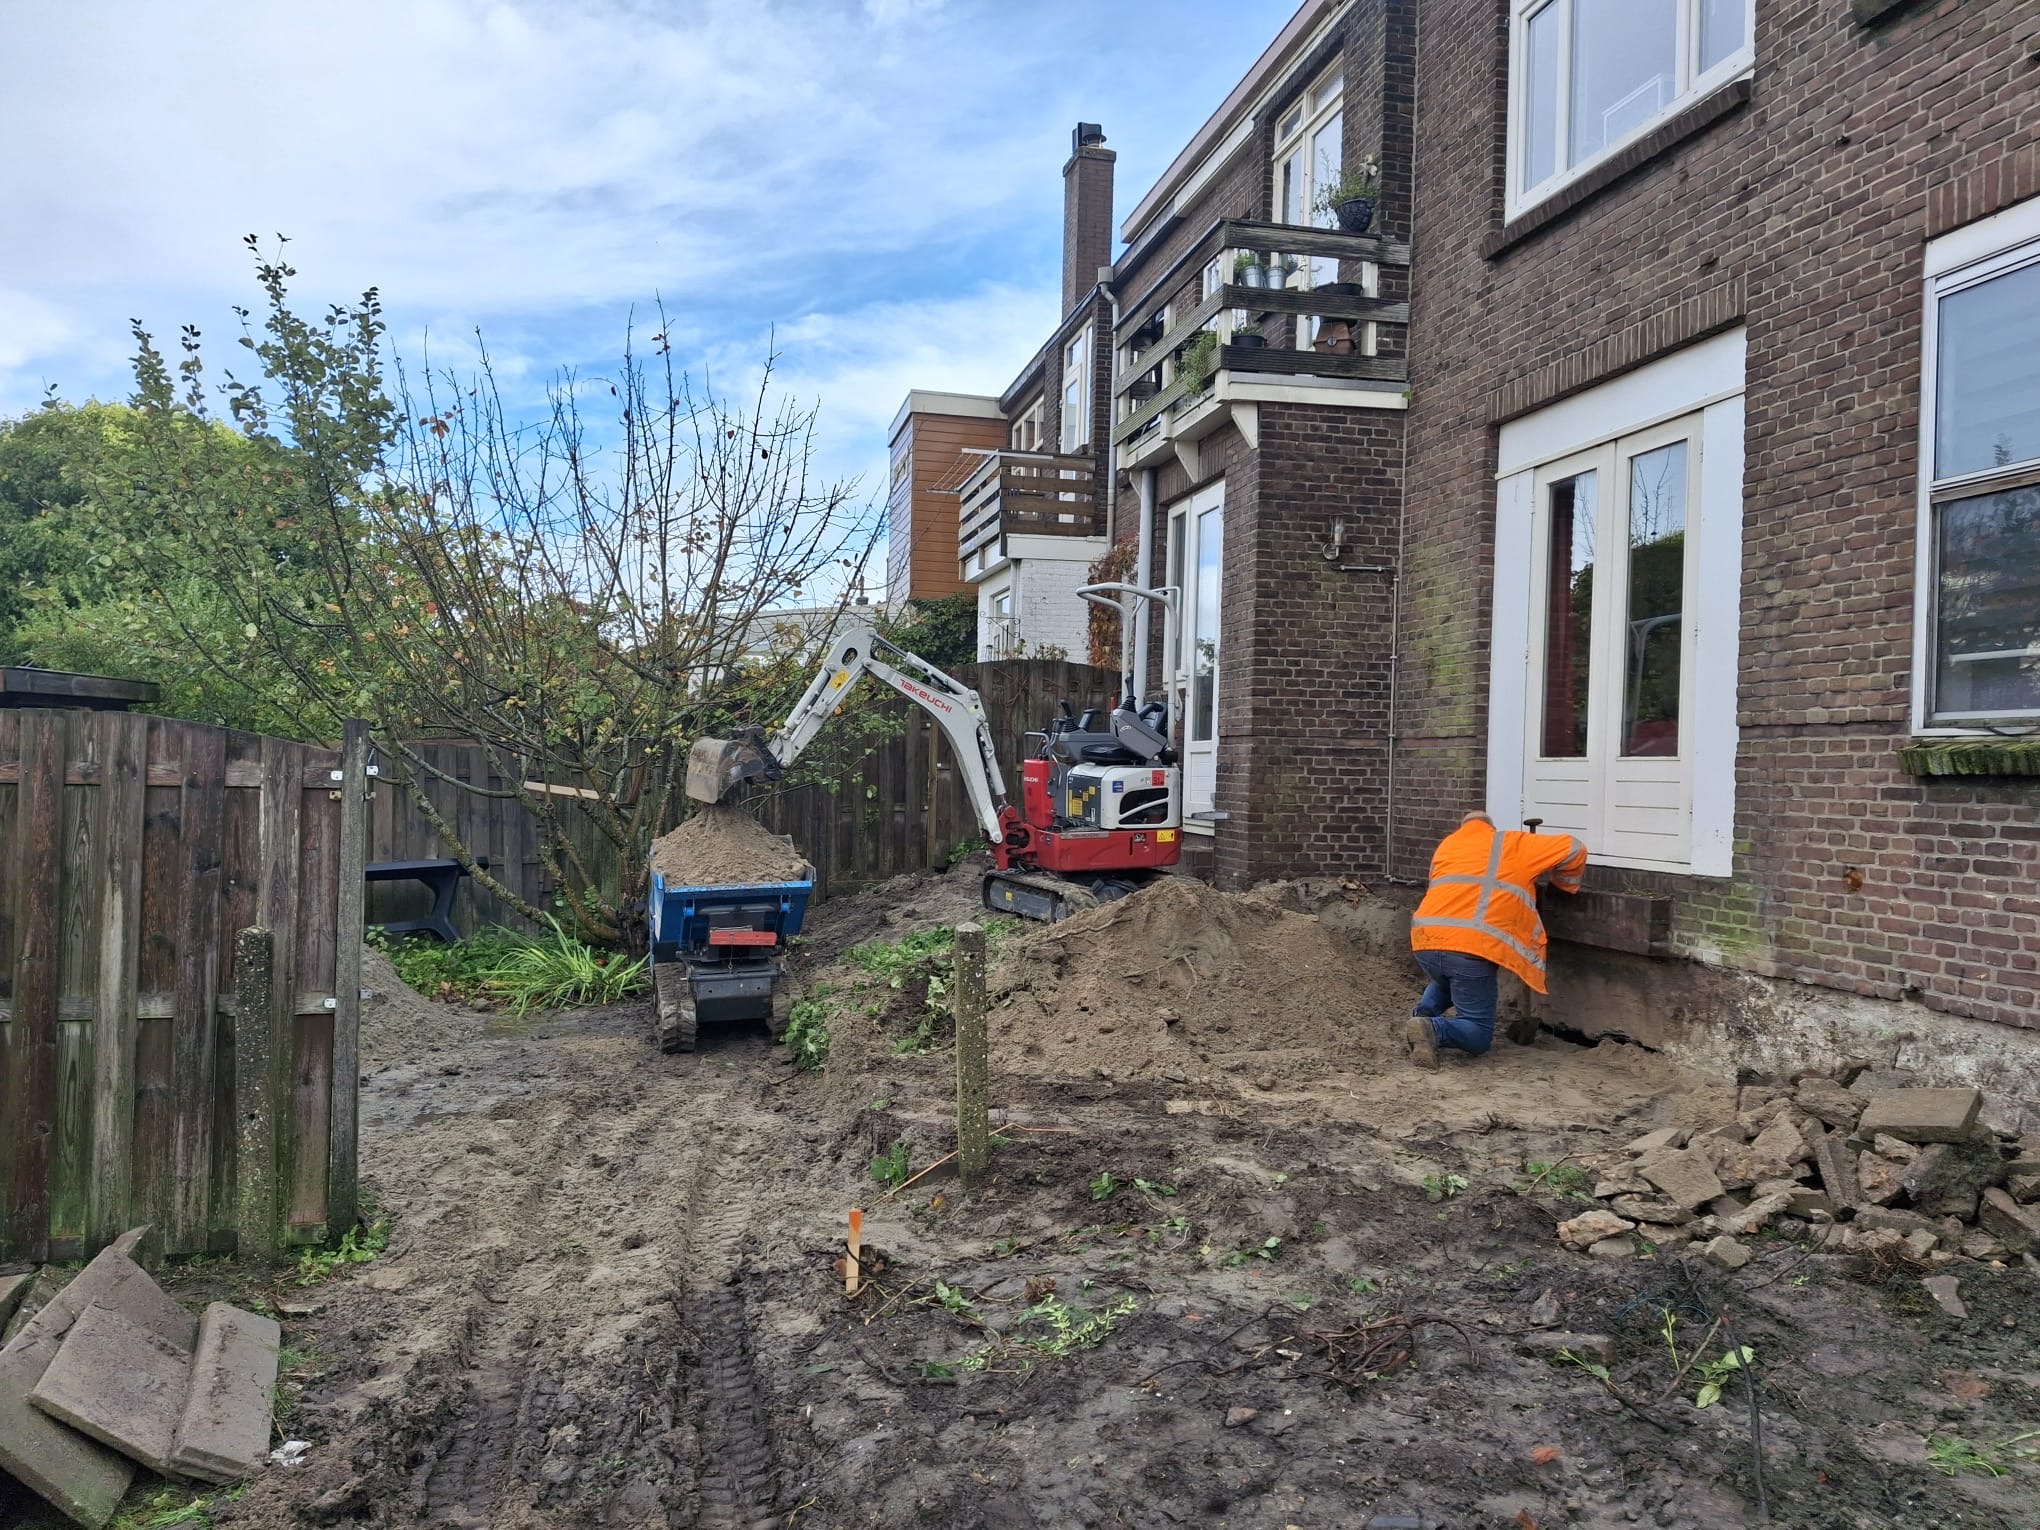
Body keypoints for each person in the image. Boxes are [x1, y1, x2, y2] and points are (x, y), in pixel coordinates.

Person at [1404, 811, 1587, 1068]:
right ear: (1492, 827)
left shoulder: (1448, 846)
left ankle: (1422, 1014)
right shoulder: (1513, 843)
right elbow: (1575, 848)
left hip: (1425, 938)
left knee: (1447, 978)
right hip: (1470, 948)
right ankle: (1432, 1029)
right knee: (1478, 1034)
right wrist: (1562, 887)